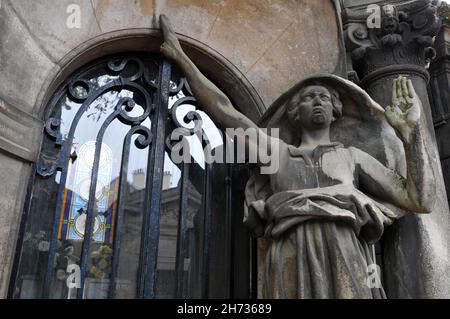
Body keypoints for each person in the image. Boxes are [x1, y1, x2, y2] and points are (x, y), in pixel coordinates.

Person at [159, 14, 435, 298]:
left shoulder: (353, 157)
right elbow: (225, 111)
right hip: (290, 255)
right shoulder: (276, 153)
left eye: (325, 97)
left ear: (336, 110)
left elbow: (419, 199)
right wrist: (182, 59)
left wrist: (411, 135)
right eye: (308, 97)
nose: (317, 100)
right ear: (293, 112)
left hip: (346, 256)